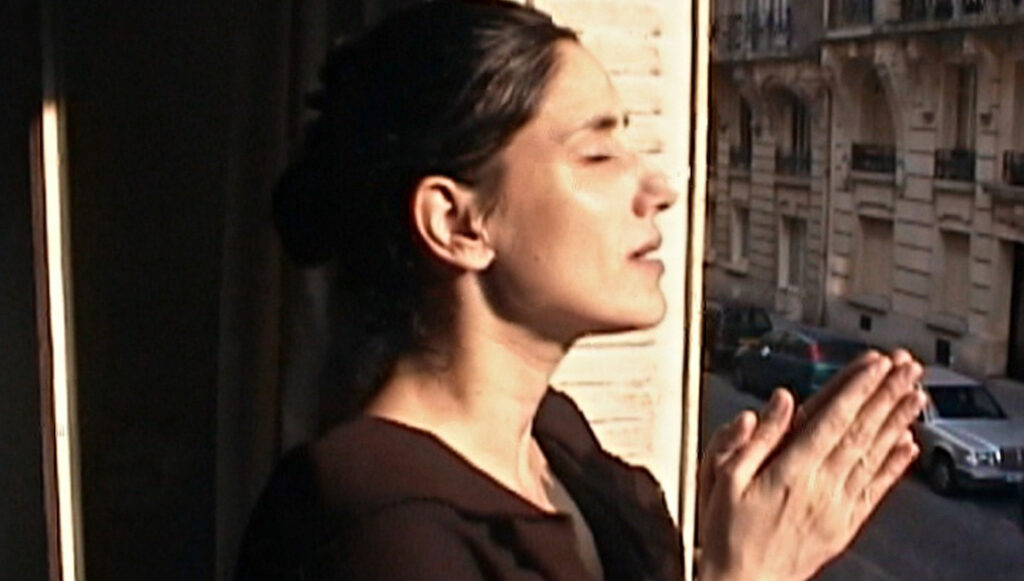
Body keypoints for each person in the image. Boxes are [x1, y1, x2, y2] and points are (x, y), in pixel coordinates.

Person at [233, 1, 927, 579]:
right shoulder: (375, 538)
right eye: (596, 155)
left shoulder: (559, 447)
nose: (657, 190)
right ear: (457, 222)